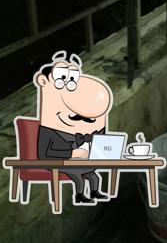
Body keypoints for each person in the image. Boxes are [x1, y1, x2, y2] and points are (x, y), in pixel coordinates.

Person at [34, 52, 114, 205]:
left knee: (93, 175)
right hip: (54, 161)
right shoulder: (48, 130)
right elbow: (44, 154)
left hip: (73, 160)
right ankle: (79, 196)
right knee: (78, 174)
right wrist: (71, 153)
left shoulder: (72, 131)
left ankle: (95, 192)